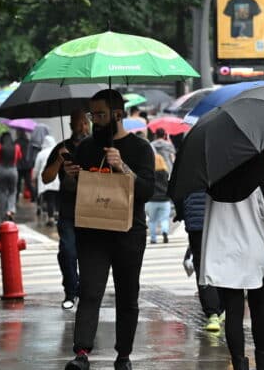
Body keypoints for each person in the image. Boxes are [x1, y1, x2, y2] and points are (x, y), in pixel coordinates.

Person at [63, 90, 154, 370]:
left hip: (129, 233)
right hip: (93, 233)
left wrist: (122, 166)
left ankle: (123, 354)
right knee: (90, 291)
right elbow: (76, 192)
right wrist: (73, 176)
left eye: (101, 114)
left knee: (127, 295)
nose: (95, 120)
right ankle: (81, 352)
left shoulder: (140, 149)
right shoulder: (88, 147)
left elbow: (147, 191)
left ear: (118, 114)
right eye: (93, 114)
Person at [200, 151, 264, 370]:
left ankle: (239, 362)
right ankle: (263, 360)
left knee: (233, 309)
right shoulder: (259, 169)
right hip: (253, 246)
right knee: (259, 305)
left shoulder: (214, 172)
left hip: (224, 247)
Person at [42, 109, 89, 310]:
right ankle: (71, 291)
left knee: (89, 254)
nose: (82, 127)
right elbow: (46, 177)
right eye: (77, 123)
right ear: (70, 125)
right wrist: (60, 161)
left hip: (91, 210)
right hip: (68, 211)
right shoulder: (61, 148)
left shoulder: (95, 146)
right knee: (68, 251)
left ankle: (87, 291)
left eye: (85, 123)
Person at [181, 191, 224, 332]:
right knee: (220, 263)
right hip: (219, 221)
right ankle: (221, 306)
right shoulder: (219, 170)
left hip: (196, 221)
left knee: (202, 267)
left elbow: (179, 193)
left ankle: (212, 312)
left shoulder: (189, 173)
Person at [145, 153, 171, 244]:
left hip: (152, 200)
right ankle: (164, 231)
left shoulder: (150, 173)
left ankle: (153, 239)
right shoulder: (165, 173)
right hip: (164, 200)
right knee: (164, 219)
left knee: (152, 221)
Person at [0, 132, 22, 221]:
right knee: (13, 191)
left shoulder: (0, 147)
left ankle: (3, 214)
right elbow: (19, 157)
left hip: (1, 170)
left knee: (2, 192)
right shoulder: (16, 147)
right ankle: (10, 210)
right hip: (13, 170)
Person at [34, 135, 59, 227]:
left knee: (50, 199)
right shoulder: (58, 151)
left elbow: (36, 168)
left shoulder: (41, 153)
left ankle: (51, 218)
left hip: (47, 180)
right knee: (57, 198)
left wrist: (34, 177)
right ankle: (57, 213)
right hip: (57, 179)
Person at [15, 130, 32, 202]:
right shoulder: (28, 142)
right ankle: (34, 196)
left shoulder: (16, 142)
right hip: (27, 165)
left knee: (18, 183)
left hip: (19, 165)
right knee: (28, 183)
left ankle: (16, 198)